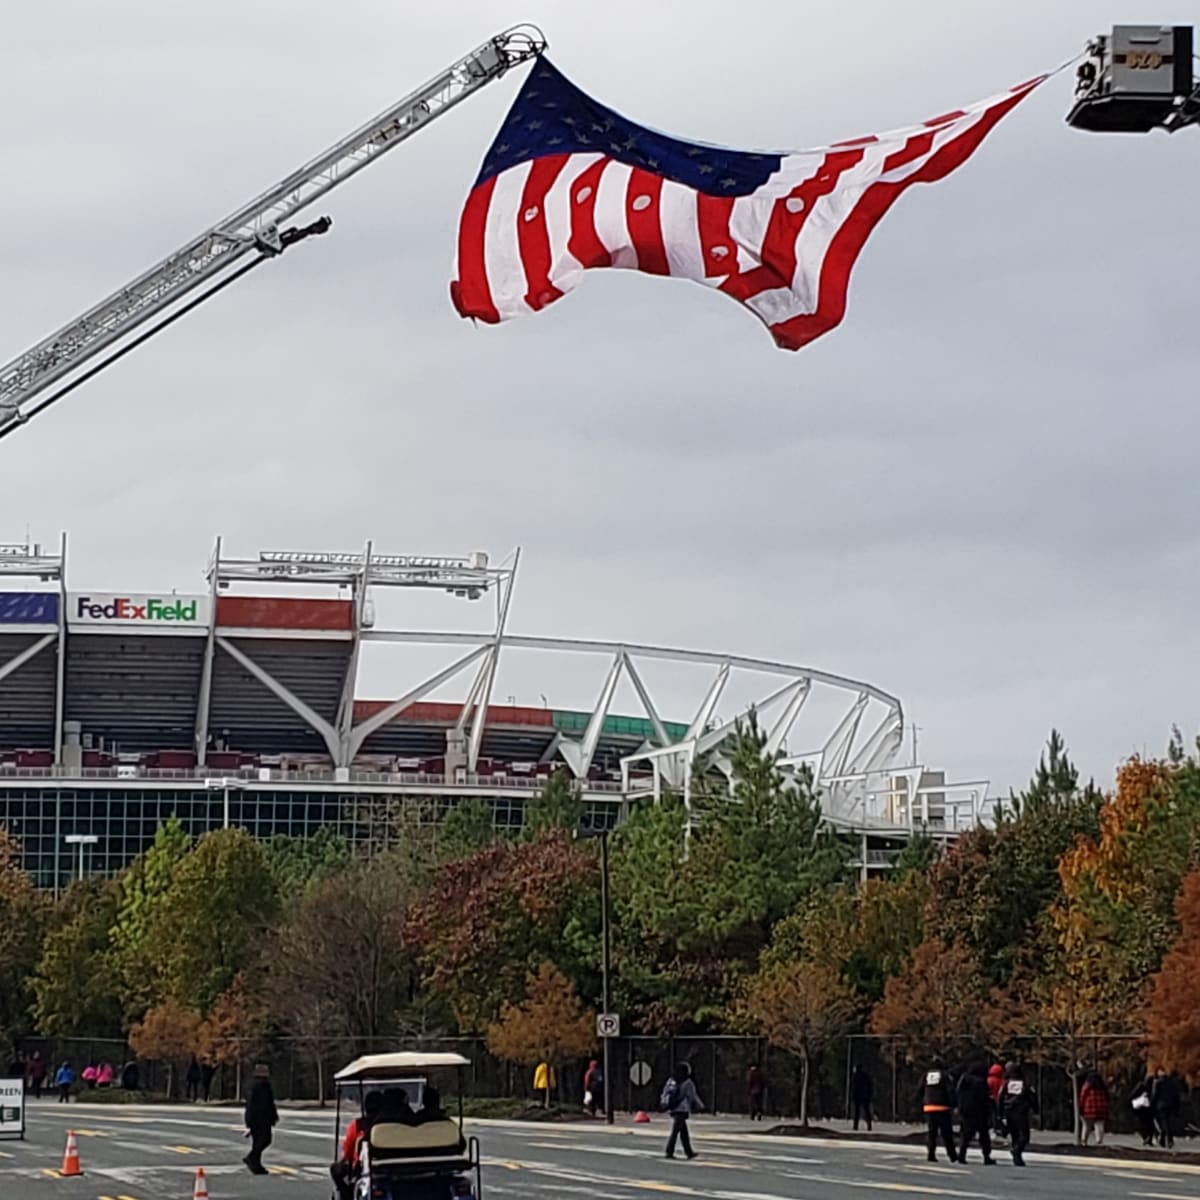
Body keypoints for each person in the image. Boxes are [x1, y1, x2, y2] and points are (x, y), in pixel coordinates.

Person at [330, 1089, 383, 1200]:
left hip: (365, 1169)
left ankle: (347, 1196)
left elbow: (347, 1153)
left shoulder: (358, 1125)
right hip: (396, 1167)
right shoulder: (393, 1124)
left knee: (335, 1169)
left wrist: (343, 1160)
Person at [955, 1062, 996, 1165]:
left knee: (965, 1134)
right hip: (979, 1111)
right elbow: (984, 1097)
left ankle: (962, 1155)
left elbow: (957, 1093)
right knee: (983, 1135)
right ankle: (986, 1156)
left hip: (965, 1111)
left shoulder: (963, 1079)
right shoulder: (981, 1082)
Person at [663, 1062, 703, 1160]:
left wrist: (664, 1103)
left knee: (683, 1132)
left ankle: (688, 1152)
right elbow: (692, 1096)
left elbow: (665, 1092)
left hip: (673, 1107)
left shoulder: (671, 1080)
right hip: (682, 1108)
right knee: (675, 1131)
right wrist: (700, 1106)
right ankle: (669, 1151)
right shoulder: (688, 1082)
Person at [243, 1064, 279, 1175]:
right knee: (265, 1140)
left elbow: (269, 1104)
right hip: (260, 1119)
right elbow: (257, 1105)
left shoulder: (260, 1086)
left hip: (260, 1119)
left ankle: (256, 1165)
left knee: (258, 1142)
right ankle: (252, 1158)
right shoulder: (259, 1087)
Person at [1001, 1061, 1038, 1167]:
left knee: (1014, 1135)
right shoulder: (1025, 1083)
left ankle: (1017, 1157)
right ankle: (1017, 1152)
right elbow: (1032, 1098)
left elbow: (1000, 1098)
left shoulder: (1007, 1083)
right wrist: (1035, 1110)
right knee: (1024, 1135)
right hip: (1021, 1111)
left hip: (1009, 1110)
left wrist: (1000, 1113)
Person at [921, 1057, 957, 1164]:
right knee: (947, 1134)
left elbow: (920, 1089)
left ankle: (931, 1154)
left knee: (932, 1133)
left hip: (929, 1107)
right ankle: (952, 1155)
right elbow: (950, 1091)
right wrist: (953, 1104)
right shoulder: (945, 1076)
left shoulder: (926, 1076)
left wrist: (923, 1102)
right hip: (942, 1107)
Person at [1151, 1068, 1181, 1150]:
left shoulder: (1158, 1083)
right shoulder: (1172, 1083)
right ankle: (1164, 1140)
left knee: (1164, 1123)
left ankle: (1168, 1139)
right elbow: (1176, 1096)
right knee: (1167, 1122)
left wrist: (1152, 1105)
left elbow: (1155, 1095)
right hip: (1170, 1105)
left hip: (1161, 1105)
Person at [1079, 1070, 1110, 1146]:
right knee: (1099, 1124)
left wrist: (1080, 1106)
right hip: (1101, 1109)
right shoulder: (1102, 1086)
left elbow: (1083, 1096)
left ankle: (1084, 1140)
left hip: (1089, 1108)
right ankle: (1099, 1140)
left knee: (1086, 1125)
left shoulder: (1087, 1085)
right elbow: (1107, 1097)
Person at [1131, 1075, 1156, 1146]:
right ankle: (1149, 1138)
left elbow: (1133, 1095)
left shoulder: (1141, 1086)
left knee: (1141, 1123)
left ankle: (1145, 1137)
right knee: (1150, 1124)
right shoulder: (1153, 1087)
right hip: (1150, 1107)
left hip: (1141, 1107)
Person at [850, 1065, 873, 1131]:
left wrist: (854, 1096)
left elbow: (854, 1088)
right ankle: (869, 1126)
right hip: (865, 1097)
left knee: (857, 1112)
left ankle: (855, 1126)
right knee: (866, 1111)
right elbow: (870, 1086)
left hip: (858, 1097)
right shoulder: (866, 1076)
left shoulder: (856, 1077)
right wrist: (869, 1095)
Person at [987, 1063, 1006, 1139]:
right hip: (999, 1101)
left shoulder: (989, 1080)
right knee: (997, 1116)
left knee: (990, 1116)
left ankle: (991, 1129)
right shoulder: (1002, 1081)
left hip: (990, 1100)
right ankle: (999, 1129)